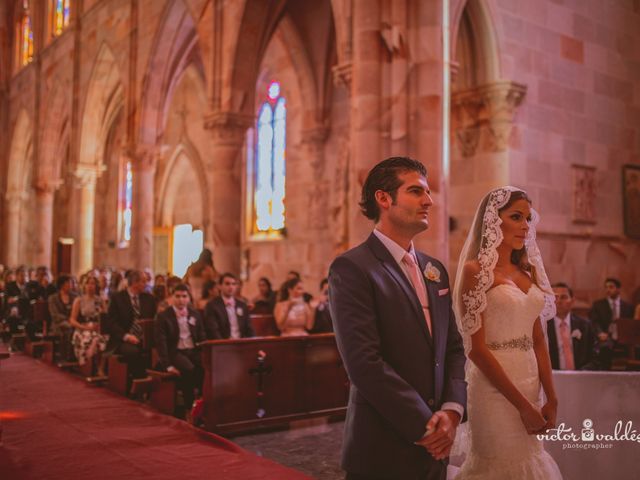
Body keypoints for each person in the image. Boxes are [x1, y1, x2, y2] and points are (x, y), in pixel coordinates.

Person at [328, 157, 466, 479]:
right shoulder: (354, 268)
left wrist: (452, 409)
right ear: (384, 198)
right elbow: (365, 362)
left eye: (428, 192)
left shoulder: (435, 271)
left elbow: (454, 348)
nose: (429, 201)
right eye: (416, 191)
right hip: (383, 447)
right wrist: (425, 425)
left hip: (436, 448)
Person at [453, 186, 562, 479]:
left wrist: (550, 396)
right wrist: (522, 406)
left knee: (531, 460)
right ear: (493, 220)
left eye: (528, 218)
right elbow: (475, 349)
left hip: (530, 384)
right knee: (498, 465)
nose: (526, 226)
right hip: (494, 390)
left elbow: (539, 338)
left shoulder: (528, 272)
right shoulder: (475, 271)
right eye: (516, 217)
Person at [154, 283, 206, 412]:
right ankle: (189, 407)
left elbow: (202, 335)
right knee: (189, 369)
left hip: (192, 350)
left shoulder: (195, 314)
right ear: (172, 297)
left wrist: (205, 351)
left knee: (206, 366)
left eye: (184, 296)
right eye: (177, 296)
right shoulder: (164, 316)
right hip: (175, 352)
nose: (181, 300)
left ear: (189, 298)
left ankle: (202, 402)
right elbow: (161, 343)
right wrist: (168, 365)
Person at [105, 270, 157, 379]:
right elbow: (111, 323)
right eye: (143, 281)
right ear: (134, 282)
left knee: (158, 351)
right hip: (123, 338)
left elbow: (153, 320)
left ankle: (154, 382)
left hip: (144, 338)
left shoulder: (149, 299)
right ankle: (138, 382)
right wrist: (127, 336)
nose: (146, 284)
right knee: (133, 352)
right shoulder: (117, 298)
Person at [547, 282, 597, 370]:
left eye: (564, 297)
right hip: (554, 376)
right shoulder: (543, 326)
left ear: (572, 301)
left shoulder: (585, 326)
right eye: (555, 297)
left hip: (581, 377)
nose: (558, 301)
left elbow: (594, 356)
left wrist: (582, 373)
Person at [69, 275, 109, 376]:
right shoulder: (79, 300)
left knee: (105, 338)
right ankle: (89, 365)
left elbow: (106, 317)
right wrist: (84, 327)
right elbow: (72, 320)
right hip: (83, 328)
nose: (91, 286)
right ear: (84, 285)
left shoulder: (100, 300)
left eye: (93, 284)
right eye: (88, 283)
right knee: (89, 338)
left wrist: (102, 313)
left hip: (97, 328)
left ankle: (101, 368)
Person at [203, 273, 253, 340]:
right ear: (220, 286)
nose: (231, 287)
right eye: (227, 284)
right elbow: (213, 330)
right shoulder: (212, 306)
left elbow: (249, 328)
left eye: (233, 284)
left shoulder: (242, 305)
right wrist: (224, 345)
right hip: (222, 344)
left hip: (241, 343)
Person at [48, 274, 77, 361]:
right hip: (58, 323)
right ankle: (66, 358)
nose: (70, 285)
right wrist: (68, 319)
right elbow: (55, 314)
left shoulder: (75, 297)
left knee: (76, 328)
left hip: (72, 321)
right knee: (68, 328)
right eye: (68, 283)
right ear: (62, 285)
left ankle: (76, 356)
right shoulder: (53, 298)